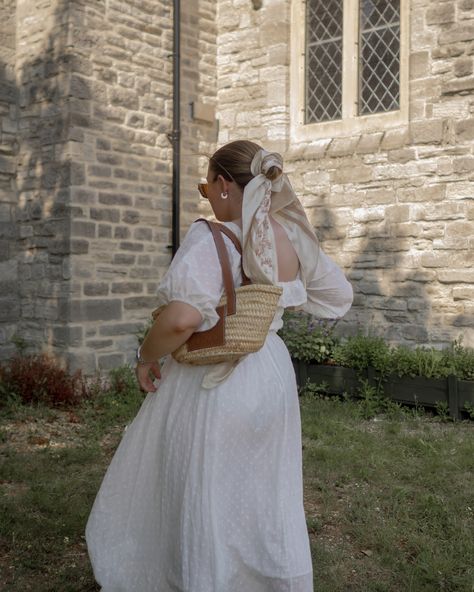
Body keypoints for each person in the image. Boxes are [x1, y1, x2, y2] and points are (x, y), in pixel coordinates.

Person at [85, 140, 353, 591]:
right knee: (264, 486)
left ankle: (205, 577)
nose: (206, 194)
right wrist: (272, 302)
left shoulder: (212, 237)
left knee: (207, 486)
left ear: (226, 185)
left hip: (217, 377)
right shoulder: (289, 233)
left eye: (206, 185)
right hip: (270, 371)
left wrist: (144, 357)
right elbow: (336, 296)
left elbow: (183, 319)